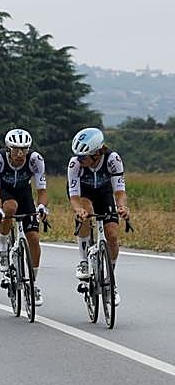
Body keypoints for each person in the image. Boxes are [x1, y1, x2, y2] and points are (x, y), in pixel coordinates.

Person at [68, 127, 128, 306]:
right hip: (83, 194)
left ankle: (110, 280)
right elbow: (74, 196)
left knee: (112, 235)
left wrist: (122, 206)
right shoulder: (75, 164)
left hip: (104, 193)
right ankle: (84, 262)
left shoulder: (113, 160)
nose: (80, 159)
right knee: (85, 214)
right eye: (78, 156)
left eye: (83, 156)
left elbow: (119, 191)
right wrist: (78, 210)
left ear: (97, 153)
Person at [0, 128, 49, 307]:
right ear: (8, 149)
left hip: (24, 193)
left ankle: (33, 283)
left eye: (24, 149)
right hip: (4, 192)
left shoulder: (35, 160)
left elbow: (42, 191)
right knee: (10, 207)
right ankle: (2, 247)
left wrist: (41, 206)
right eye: (16, 149)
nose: (20, 153)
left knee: (34, 238)